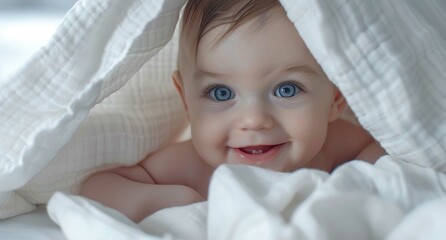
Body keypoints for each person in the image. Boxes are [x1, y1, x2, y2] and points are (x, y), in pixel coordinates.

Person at [80, 0, 386, 222]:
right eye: (221, 93)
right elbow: (97, 186)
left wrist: (354, 182)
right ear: (187, 101)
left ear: (335, 98)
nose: (254, 120)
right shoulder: (192, 166)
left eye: (287, 89)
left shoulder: (332, 146)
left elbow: (384, 148)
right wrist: (171, 200)